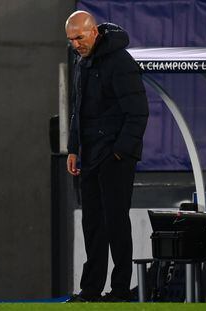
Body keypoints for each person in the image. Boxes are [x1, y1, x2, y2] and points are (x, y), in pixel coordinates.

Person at [65, 11, 149, 302]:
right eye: (71, 39)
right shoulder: (81, 62)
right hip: (89, 156)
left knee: (115, 223)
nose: (75, 44)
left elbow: (138, 113)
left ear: (94, 32)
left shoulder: (120, 62)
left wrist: (119, 152)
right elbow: (78, 111)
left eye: (79, 37)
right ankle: (90, 290)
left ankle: (121, 290)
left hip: (114, 158)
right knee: (93, 225)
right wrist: (73, 148)